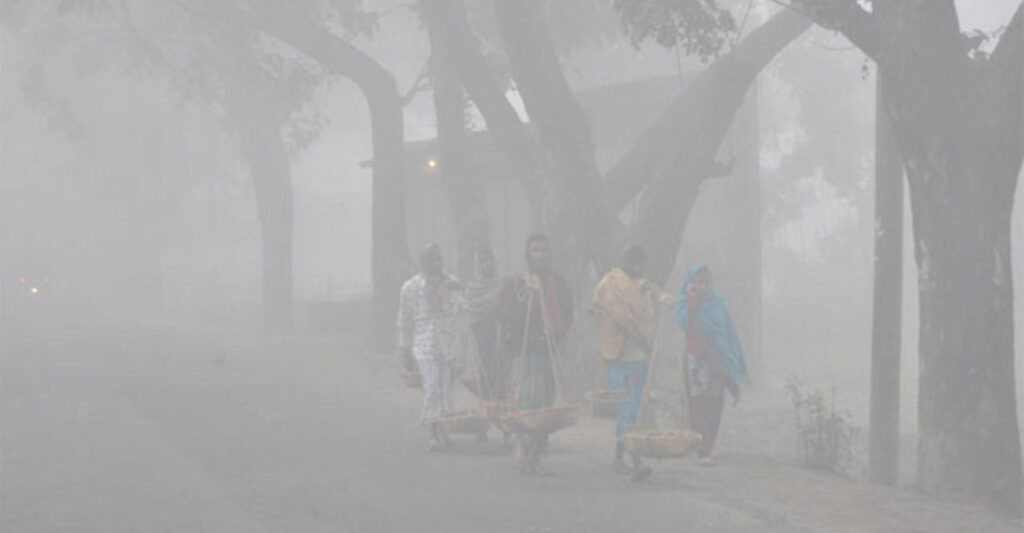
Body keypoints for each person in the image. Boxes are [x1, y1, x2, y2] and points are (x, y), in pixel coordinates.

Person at [592, 245, 673, 481]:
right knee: (627, 408)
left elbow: (653, 302)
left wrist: (662, 296)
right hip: (617, 357)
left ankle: (621, 456)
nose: (636, 266)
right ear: (624, 261)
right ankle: (636, 460)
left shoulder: (644, 288)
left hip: (638, 358)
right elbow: (601, 309)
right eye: (632, 261)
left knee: (635, 409)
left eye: (640, 262)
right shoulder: (610, 284)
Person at [497, 233, 574, 475]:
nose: (540, 255)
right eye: (535, 251)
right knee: (525, 401)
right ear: (528, 254)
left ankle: (537, 452)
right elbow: (505, 314)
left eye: (544, 250)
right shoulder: (517, 283)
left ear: (551, 254)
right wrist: (529, 297)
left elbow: (567, 314)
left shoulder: (559, 283)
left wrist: (556, 336)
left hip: (547, 349)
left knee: (544, 404)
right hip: (524, 349)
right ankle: (522, 444)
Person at [674, 264, 747, 466]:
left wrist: (729, 359)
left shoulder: (718, 304)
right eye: (698, 282)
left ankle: (709, 445)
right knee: (699, 403)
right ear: (691, 284)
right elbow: (684, 323)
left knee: (715, 402)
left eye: (706, 282)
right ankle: (701, 447)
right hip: (697, 359)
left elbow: (727, 333)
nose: (703, 286)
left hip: (716, 360)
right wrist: (692, 300)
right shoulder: (685, 302)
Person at [397, 244, 463, 451]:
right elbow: (405, 319)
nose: (436, 264)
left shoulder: (451, 283)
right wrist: (404, 347)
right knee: (432, 385)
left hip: (448, 342)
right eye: (431, 259)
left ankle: (444, 427)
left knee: (445, 387)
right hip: (424, 343)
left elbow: (461, 310)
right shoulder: (411, 287)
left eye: (439, 259)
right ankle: (433, 429)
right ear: (422, 262)